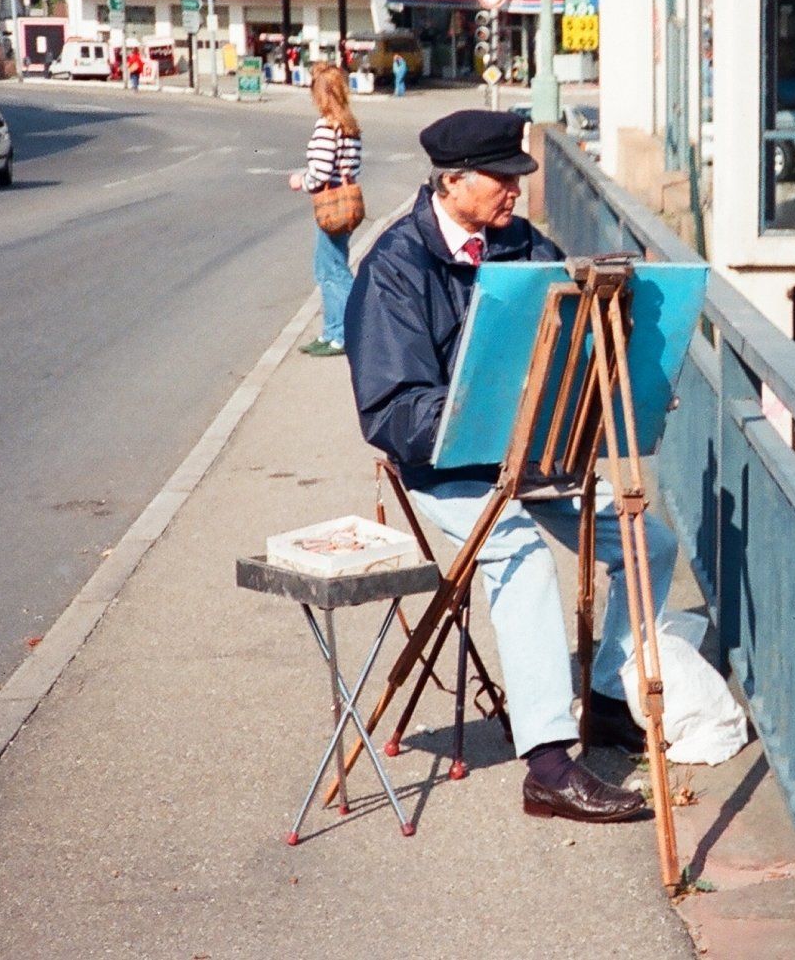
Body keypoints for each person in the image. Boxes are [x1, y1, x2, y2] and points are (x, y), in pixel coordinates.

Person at [344, 109, 674, 825]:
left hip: (533, 457)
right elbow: (390, 410)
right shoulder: (396, 266)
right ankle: (550, 768)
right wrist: (481, 417)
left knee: (652, 541)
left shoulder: (521, 242)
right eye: (502, 180)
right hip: (444, 471)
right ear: (453, 180)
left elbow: (569, 336)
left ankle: (611, 703)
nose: (515, 194)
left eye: (518, 179)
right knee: (521, 552)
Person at [288, 63, 362, 358]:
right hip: (348, 203)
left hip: (330, 205)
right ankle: (332, 331)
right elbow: (352, 166)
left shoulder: (326, 126)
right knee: (332, 265)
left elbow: (319, 172)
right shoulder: (350, 125)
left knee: (330, 270)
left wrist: (300, 181)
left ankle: (343, 333)